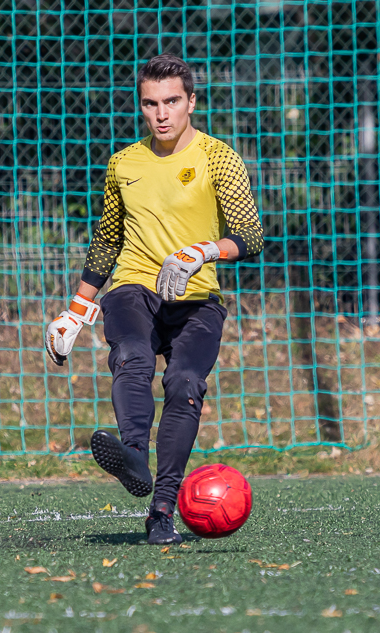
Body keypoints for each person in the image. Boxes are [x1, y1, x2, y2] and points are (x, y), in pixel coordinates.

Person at [45, 53, 264, 544]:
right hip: (134, 286)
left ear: (191, 102)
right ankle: (132, 459)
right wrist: (75, 311)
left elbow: (250, 233)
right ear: (142, 106)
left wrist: (203, 251)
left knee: (185, 383)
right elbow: (106, 240)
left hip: (197, 297)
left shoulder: (218, 157)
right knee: (132, 357)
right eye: (150, 103)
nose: (161, 113)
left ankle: (162, 510)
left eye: (171, 102)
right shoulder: (124, 163)